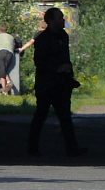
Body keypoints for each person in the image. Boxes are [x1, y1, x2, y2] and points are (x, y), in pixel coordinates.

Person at [26, 8, 85, 158]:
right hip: (47, 83)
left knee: (65, 116)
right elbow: (39, 61)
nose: (63, 19)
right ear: (51, 21)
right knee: (41, 115)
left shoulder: (63, 36)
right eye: (59, 17)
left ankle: (72, 148)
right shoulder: (43, 39)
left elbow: (65, 57)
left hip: (62, 84)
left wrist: (69, 74)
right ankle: (32, 147)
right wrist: (57, 69)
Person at [0, 24, 17, 95]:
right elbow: (14, 46)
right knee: (5, 69)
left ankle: (4, 90)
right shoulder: (11, 37)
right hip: (10, 53)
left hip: (1, 52)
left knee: (2, 70)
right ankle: (9, 81)